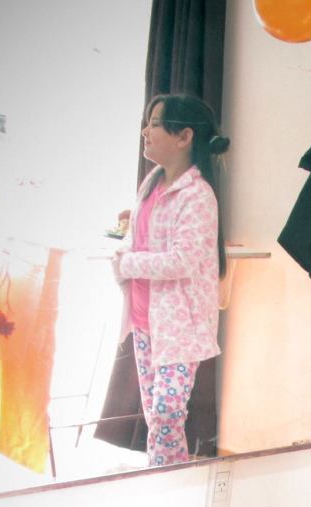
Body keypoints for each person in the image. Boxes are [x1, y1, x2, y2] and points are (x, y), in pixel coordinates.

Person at [112, 94, 229, 467]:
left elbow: (183, 260)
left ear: (184, 137)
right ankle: (166, 478)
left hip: (179, 326)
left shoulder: (198, 195)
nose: (145, 132)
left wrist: (128, 264)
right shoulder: (151, 183)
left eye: (155, 123)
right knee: (156, 417)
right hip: (144, 319)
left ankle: (166, 480)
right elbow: (135, 239)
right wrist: (123, 259)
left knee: (166, 413)